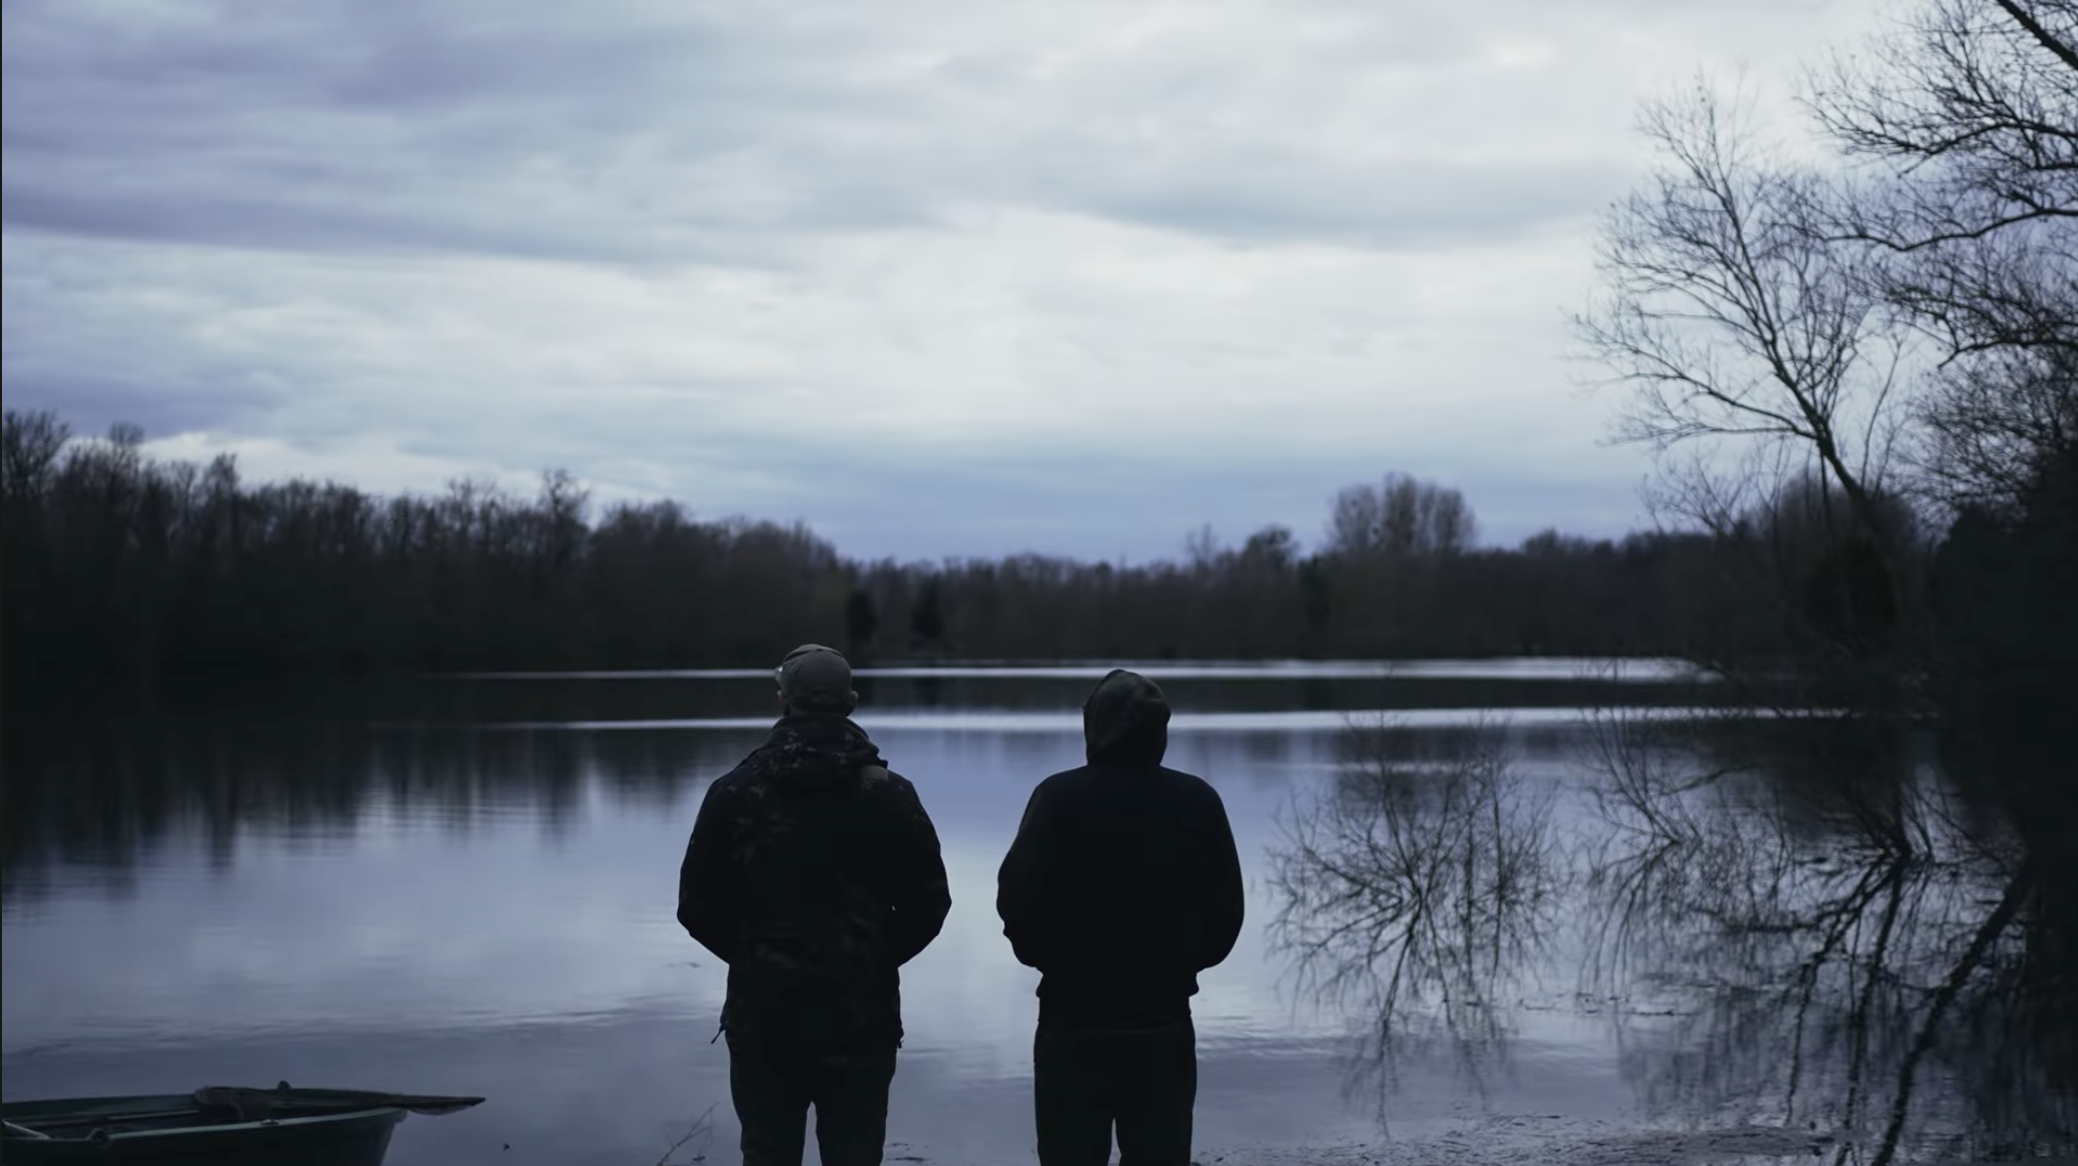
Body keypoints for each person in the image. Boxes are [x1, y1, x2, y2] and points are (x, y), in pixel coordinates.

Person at [677, 644, 951, 1166]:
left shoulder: (734, 792)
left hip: (764, 1018)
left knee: (766, 1154)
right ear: (851, 701)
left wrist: (757, 956)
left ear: (784, 700)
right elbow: (930, 905)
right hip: (861, 1017)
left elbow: (696, 906)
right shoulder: (892, 795)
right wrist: (870, 958)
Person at [995, 668, 1246, 1165]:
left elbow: (1017, 900)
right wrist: (1181, 965)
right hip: (1163, 1019)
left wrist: (1051, 962)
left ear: (1095, 726)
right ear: (1159, 733)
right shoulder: (1197, 800)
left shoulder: (1057, 798)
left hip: (1071, 1021)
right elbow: (1226, 912)